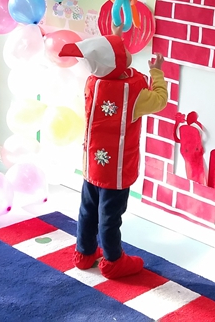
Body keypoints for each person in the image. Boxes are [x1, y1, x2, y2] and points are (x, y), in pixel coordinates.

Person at [59, 30, 167, 279]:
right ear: (117, 61)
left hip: (93, 164)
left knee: (88, 210)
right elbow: (160, 100)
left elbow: (110, 66)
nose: (129, 52)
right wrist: (157, 73)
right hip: (116, 169)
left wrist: (113, 40)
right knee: (110, 217)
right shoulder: (134, 92)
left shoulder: (93, 82)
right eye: (123, 50)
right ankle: (113, 260)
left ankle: (84, 253)